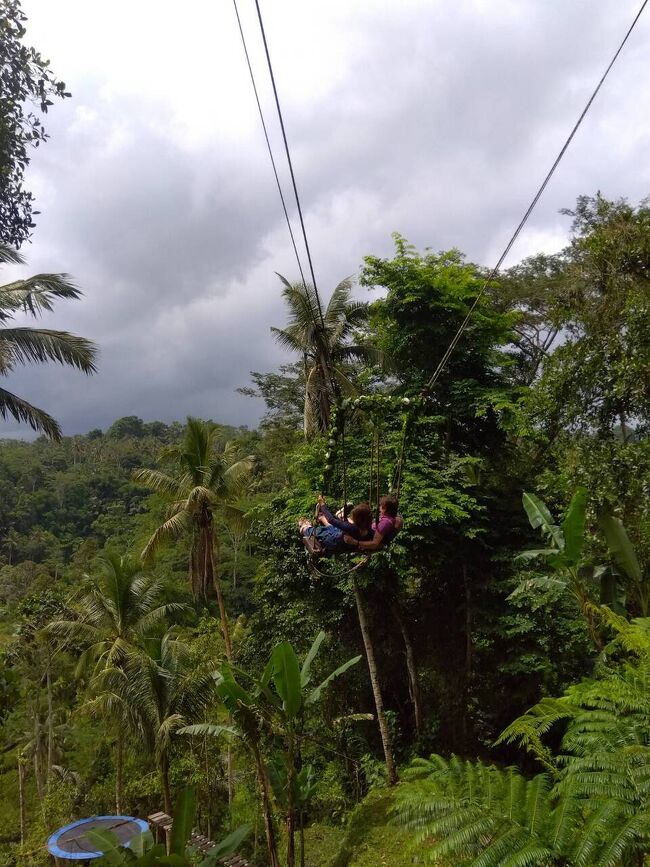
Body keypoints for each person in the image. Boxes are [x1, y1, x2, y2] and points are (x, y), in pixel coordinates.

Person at [299, 500, 374, 556]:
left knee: (319, 531)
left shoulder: (351, 528)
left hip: (333, 542)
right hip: (341, 540)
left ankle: (304, 528)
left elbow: (331, 520)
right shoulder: (370, 530)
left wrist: (322, 505)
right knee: (334, 528)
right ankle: (323, 517)